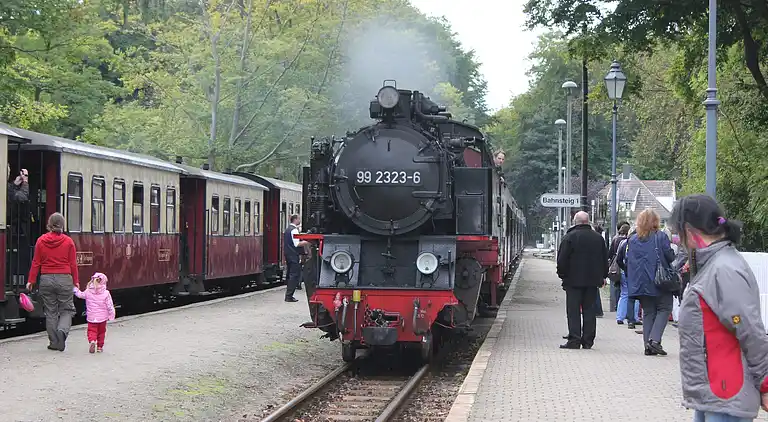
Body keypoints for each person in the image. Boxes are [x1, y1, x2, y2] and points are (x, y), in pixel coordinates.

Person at [672, 194, 768, 422]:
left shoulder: (723, 270)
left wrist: (765, 382)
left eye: (678, 233)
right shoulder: (713, 266)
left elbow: (749, 330)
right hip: (715, 391)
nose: (679, 240)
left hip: (726, 391)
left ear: (688, 230)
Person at [618, 208, 675, 356]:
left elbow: (626, 260)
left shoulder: (633, 239)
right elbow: (670, 257)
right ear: (655, 221)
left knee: (648, 312)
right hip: (658, 280)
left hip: (640, 282)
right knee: (665, 308)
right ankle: (654, 341)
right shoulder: (660, 236)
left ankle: (648, 346)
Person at [26, 213, 79, 351]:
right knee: (67, 309)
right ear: (62, 225)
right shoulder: (68, 242)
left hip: (46, 279)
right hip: (64, 278)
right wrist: (76, 282)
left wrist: (31, 280)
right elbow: (73, 264)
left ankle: (54, 342)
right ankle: (62, 332)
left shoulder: (41, 241)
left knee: (50, 311)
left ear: (49, 224)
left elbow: (36, 262)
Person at [556, 211, 608, 350]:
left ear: (575, 222)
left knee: (573, 311)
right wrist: (603, 276)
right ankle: (588, 341)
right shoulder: (598, 238)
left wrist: (563, 275)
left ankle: (574, 340)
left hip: (573, 281)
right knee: (589, 310)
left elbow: (562, 259)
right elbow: (604, 259)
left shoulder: (569, 237)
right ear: (588, 221)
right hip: (592, 282)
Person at [73, 272, 115, 353]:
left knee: (92, 330)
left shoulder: (88, 291)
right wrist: (111, 315)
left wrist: (75, 289)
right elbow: (110, 305)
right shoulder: (106, 293)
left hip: (91, 317)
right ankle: (99, 347)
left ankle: (92, 341)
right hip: (103, 318)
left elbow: (80, 295)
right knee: (101, 332)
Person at [611, 223, 640, 326]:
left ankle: (620, 316)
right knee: (635, 296)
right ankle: (634, 317)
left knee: (624, 294)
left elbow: (618, 259)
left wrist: (624, 268)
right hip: (635, 273)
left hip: (625, 272)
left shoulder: (623, 243)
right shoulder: (639, 243)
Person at [284, 214, 309, 303]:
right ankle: (289, 296)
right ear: (295, 219)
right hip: (293, 255)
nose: (300, 220)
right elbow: (297, 244)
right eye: (299, 219)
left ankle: (288, 295)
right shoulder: (294, 230)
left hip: (288, 254)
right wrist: (307, 241)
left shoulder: (287, 229)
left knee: (290, 274)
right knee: (294, 275)